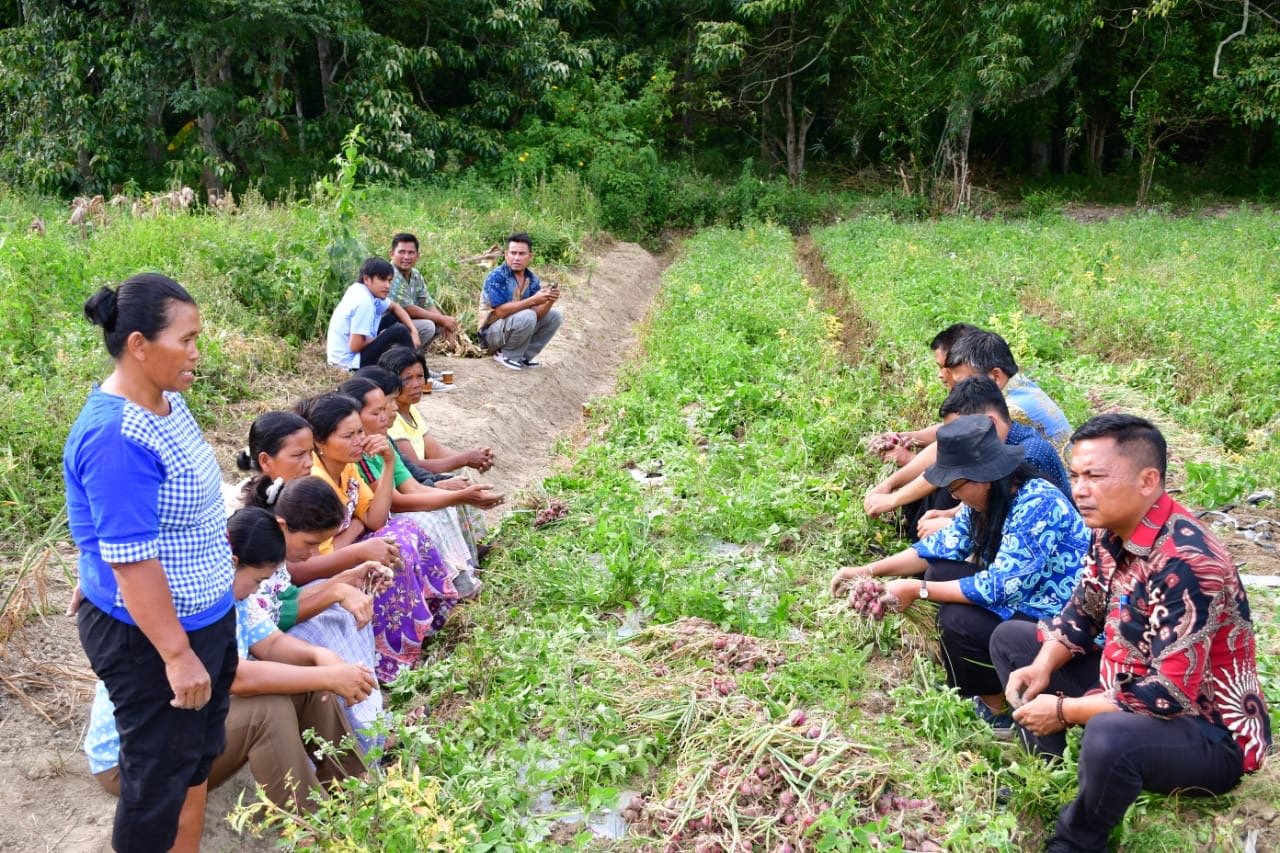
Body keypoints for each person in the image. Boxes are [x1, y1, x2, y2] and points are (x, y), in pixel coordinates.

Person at [991, 414, 1272, 853]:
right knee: (1015, 641)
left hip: (1206, 733)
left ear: (1148, 480)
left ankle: (1077, 840)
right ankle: (1045, 778)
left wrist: (1066, 710)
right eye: (1076, 475)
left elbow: (1170, 695)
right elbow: (1082, 612)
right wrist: (1043, 666)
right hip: (1128, 687)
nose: (1080, 489)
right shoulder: (1108, 532)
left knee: (1110, 736)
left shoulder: (1190, 563)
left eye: (1095, 476)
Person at [65, 273, 237, 852]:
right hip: (155, 639)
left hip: (203, 618)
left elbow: (129, 524)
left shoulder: (169, 403)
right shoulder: (117, 436)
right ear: (139, 345)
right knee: (157, 780)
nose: (196, 352)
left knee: (193, 762)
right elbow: (133, 561)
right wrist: (177, 654)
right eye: (186, 340)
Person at [86, 508, 373, 813]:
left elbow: (272, 643)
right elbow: (235, 677)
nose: (257, 589)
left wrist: (321, 658)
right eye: (257, 580)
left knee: (311, 686)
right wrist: (328, 676)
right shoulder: (193, 599)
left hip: (186, 727)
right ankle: (313, 828)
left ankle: (355, 794)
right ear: (233, 563)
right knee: (266, 712)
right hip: (132, 761)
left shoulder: (234, 596)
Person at [831, 415, 1089, 735]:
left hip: (1060, 627)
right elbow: (936, 547)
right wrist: (867, 571)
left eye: (956, 488)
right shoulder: (990, 501)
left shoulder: (1038, 503)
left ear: (983, 477)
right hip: (1024, 603)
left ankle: (997, 711)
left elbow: (998, 586)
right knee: (939, 569)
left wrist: (918, 590)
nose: (953, 498)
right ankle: (974, 680)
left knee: (958, 620)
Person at [297, 393, 462, 681]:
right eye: (348, 435)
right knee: (387, 557)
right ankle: (389, 660)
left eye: (360, 431)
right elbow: (323, 555)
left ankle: (421, 632)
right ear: (320, 444)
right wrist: (358, 534)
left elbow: (374, 517)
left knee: (405, 532)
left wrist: (387, 463)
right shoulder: (315, 482)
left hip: (342, 551)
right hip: (321, 572)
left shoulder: (347, 466)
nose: (359, 440)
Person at [884, 377, 1074, 540]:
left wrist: (951, 526)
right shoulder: (1001, 443)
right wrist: (951, 514)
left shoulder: (1027, 457)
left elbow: (1011, 523)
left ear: (989, 422)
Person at [944, 328, 1072, 457]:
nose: (962, 390)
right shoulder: (1020, 385)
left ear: (996, 376)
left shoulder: (1011, 411)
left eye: (966, 383)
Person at [379, 346, 495, 476]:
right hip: (411, 483)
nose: (416, 384)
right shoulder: (390, 419)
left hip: (420, 480)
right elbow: (413, 467)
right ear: (391, 381)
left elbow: (435, 451)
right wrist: (466, 459)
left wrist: (477, 458)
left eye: (420, 376)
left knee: (459, 470)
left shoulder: (410, 409)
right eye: (407, 379)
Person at [478, 231, 562, 370]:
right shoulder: (497, 276)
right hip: (491, 334)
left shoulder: (532, 279)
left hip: (513, 326)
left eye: (521, 254)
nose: (516, 258)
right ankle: (507, 355)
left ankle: (524, 356)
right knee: (528, 315)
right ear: (506, 255)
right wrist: (532, 300)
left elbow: (537, 315)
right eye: (513, 253)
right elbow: (500, 312)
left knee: (554, 316)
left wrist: (549, 300)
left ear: (530, 257)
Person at [326, 257, 418, 370]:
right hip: (348, 363)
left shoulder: (360, 289)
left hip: (343, 356)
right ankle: (419, 372)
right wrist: (381, 337)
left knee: (392, 317)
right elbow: (355, 346)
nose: (387, 286)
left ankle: (410, 365)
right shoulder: (364, 302)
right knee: (400, 330)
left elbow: (395, 307)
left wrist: (414, 331)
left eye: (389, 281)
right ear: (366, 279)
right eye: (382, 280)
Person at [383, 232, 459, 366]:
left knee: (436, 324)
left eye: (411, 253)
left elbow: (427, 303)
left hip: (403, 323)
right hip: (384, 326)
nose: (406, 257)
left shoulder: (415, 275)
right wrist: (442, 319)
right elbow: (408, 309)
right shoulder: (390, 274)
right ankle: (400, 364)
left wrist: (444, 323)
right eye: (401, 252)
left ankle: (415, 364)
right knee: (428, 326)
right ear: (392, 254)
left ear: (417, 256)